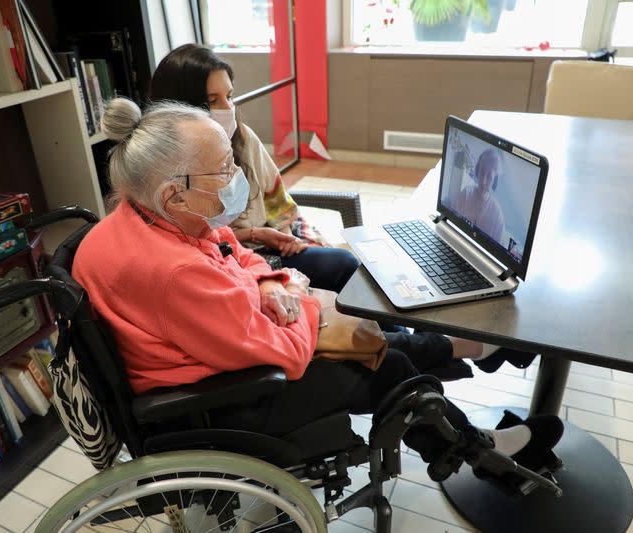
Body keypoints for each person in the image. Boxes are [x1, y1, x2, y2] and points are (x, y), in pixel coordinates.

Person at [72, 97, 563, 474]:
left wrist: (271, 283)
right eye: (223, 170)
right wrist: (310, 305)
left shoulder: (142, 215)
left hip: (207, 347)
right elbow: (283, 353)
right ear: (173, 193)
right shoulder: (174, 272)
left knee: (364, 336)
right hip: (216, 401)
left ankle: (470, 352)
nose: (237, 176)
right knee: (383, 362)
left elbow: (230, 247)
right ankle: (478, 448)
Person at [148, 43, 360, 294]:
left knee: (354, 269)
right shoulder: (167, 168)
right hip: (227, 261)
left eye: (230, 96)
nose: (228, 109)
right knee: (345, 266)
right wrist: (256, 234)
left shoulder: (243, 138)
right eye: (212, 101)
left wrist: (284, 234)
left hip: (265, 246)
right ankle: (402, 334)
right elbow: (195, 244)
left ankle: (403, 332)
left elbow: (277, 202)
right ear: (181, 106)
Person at [455, 148, 506, 244]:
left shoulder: (498, 216)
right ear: (478, 170)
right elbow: (454, 225)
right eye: (482, 172)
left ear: (494, 181)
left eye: (489, 177)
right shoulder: (466, 193)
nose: (483, 181)